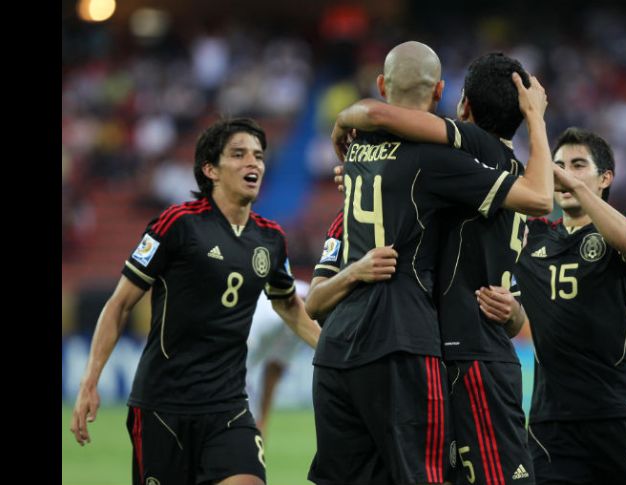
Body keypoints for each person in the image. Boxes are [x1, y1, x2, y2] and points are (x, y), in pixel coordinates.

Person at [305, 41, 552, 485]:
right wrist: (537, 119)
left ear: (382, 84)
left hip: (341, 349)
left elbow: (376, 118)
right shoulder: (449, 162)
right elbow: (540, 198)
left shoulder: (361, 158)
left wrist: (344, 120)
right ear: (440, 93)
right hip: (412, 344)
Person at [69, 117, 322, 485]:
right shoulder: (177, 225)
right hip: (163, 406)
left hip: (229, 406)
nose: (253, 163)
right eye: (238, 154)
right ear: (211, 169)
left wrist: (332, 350)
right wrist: (89, 381)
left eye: (258, 156)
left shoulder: (271, 239)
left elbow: (288, 306)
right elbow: (119, 305)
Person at [509, 127, 626, 485]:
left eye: (577, 165)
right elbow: (516, 321)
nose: (565, 173)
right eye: (558, 166)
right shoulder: (532, 237)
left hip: (621, 414)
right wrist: (509, 313)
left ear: (606, 178)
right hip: (552, 424)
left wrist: (576, 187)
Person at [245, 280, 311, 434]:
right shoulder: (268, 314)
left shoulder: (300, 326)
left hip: (244, 369)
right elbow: (238, 359)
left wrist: (263, 422)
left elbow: (274, 369)